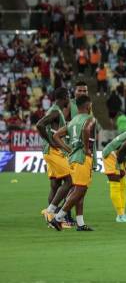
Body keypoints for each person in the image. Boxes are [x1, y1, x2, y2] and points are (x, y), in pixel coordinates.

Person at [48, 95, 97, 231]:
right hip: (82, 157)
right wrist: (86, 148)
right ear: (88, 105)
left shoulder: (73, 120)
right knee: (80, 189)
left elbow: (56, 135)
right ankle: (58, 218)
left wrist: (67, 148)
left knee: (80, 190)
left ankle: (80, 224)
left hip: (73, 157)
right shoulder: (90, 118)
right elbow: (87, 130)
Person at [35, 88, 73, 226]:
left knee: (55, 184)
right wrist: (50, 141)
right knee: (70, 180)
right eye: (68, 96)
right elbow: (39, 125)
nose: (69, 99)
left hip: (49, 151)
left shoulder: (55, 110)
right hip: (53, 151)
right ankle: (52, 213)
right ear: (64, 97)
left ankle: (51, 220)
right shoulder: (56, 111)